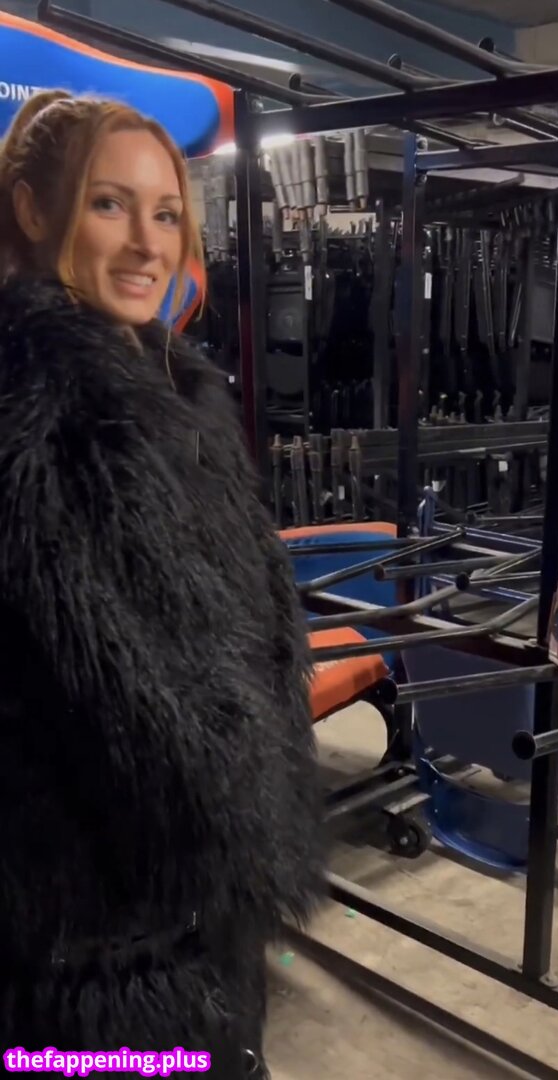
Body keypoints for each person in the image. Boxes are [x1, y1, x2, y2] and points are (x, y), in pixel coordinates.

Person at [0, 91, 322, 1077]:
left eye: (167, 212)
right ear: (31, 209)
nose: (148, 243)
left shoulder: (180, 395)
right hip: (82, 964)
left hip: (201, 928)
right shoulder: (27, 417)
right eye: (108, 204)